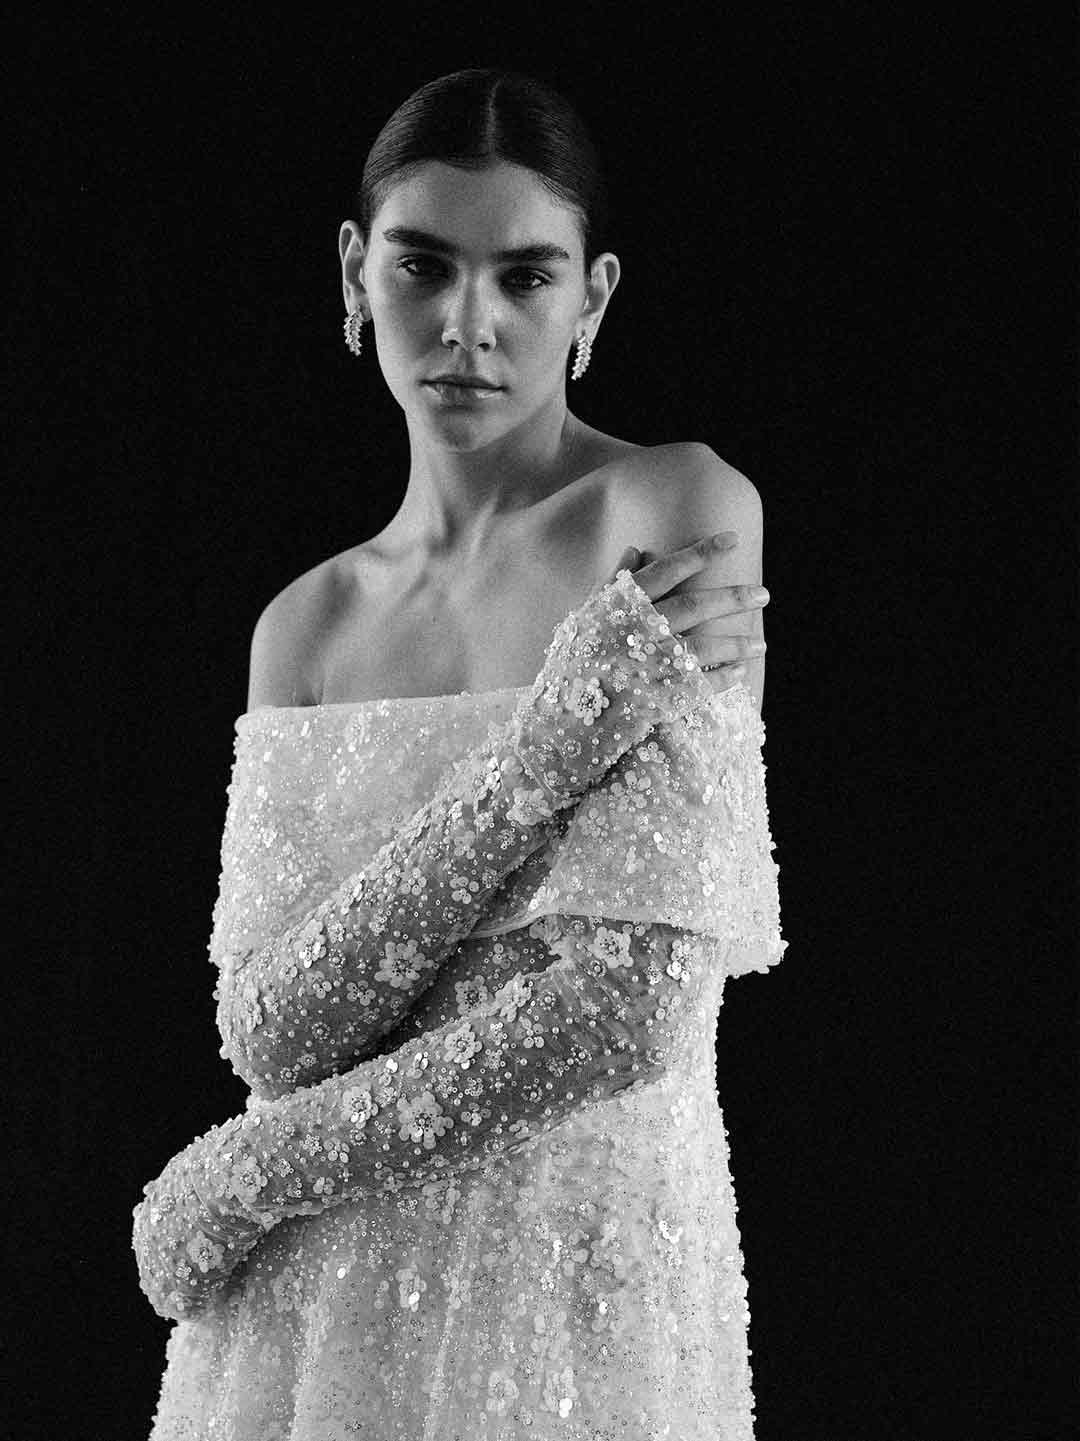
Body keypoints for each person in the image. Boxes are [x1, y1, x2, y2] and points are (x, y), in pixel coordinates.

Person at [135, 68, 785, 1439]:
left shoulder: (672, 510)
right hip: (312, 1325)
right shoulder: (306, 626)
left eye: (525, 277)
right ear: (355, 272)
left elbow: (630, 1009)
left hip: (567, 1306)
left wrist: (244, 1174)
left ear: (592, 298)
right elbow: (273, 1027)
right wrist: (542, 761)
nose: (466, 324)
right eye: (423, 265)